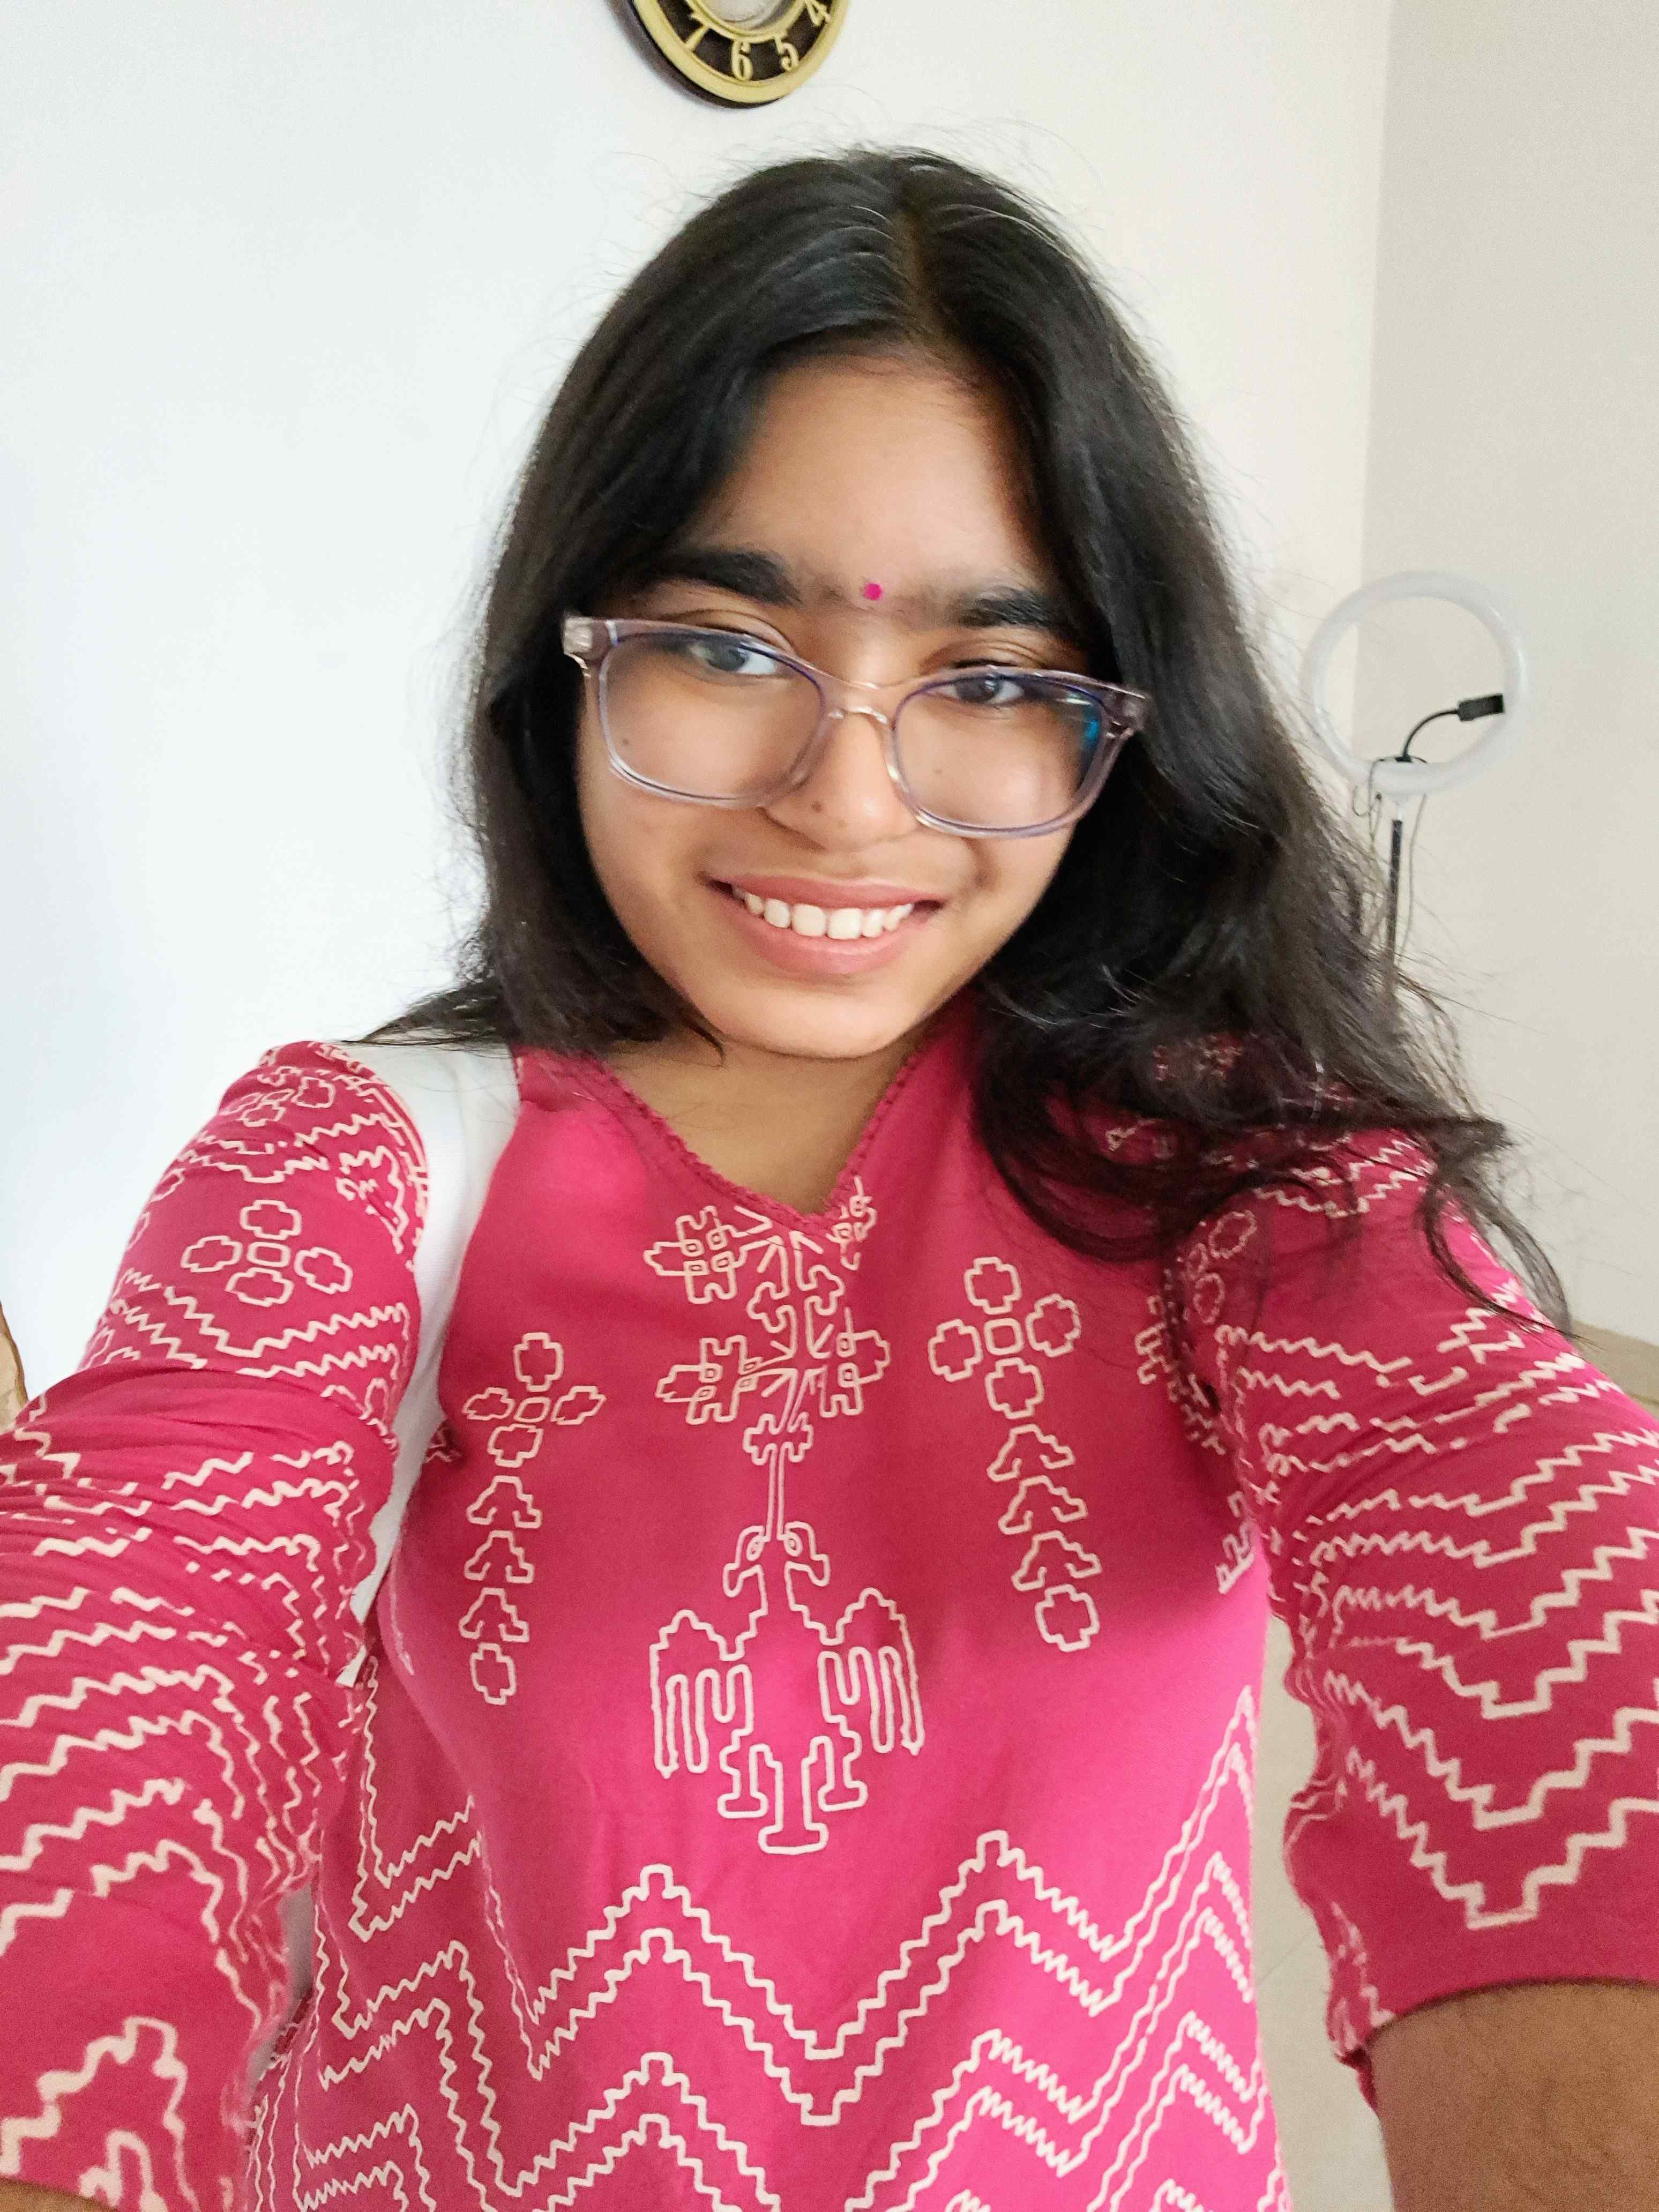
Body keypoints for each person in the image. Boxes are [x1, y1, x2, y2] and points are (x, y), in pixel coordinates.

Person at [2, 147, 1656, 2212]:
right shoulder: (357, 1167)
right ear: (569, 663)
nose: (846, 802)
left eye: (995, 682)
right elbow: (131, 1632)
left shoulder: (1247, 1180)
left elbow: (1527, 1548)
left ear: (1123, 736)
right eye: (724, 646)